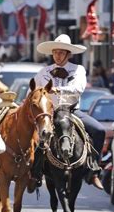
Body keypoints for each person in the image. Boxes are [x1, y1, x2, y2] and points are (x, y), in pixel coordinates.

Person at [34, 34, 104, 190]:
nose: (57, 56)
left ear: (68, 54)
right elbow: (35, 93)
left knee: (99, 130)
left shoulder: (78, 70)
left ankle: (93, 170)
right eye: (55, 52)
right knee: (35, 138)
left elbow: (78, 89)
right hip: (49, 113)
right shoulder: (43, 72)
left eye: (61, 52)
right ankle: (34, 173)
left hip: (71, 112)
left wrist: (58, 89)